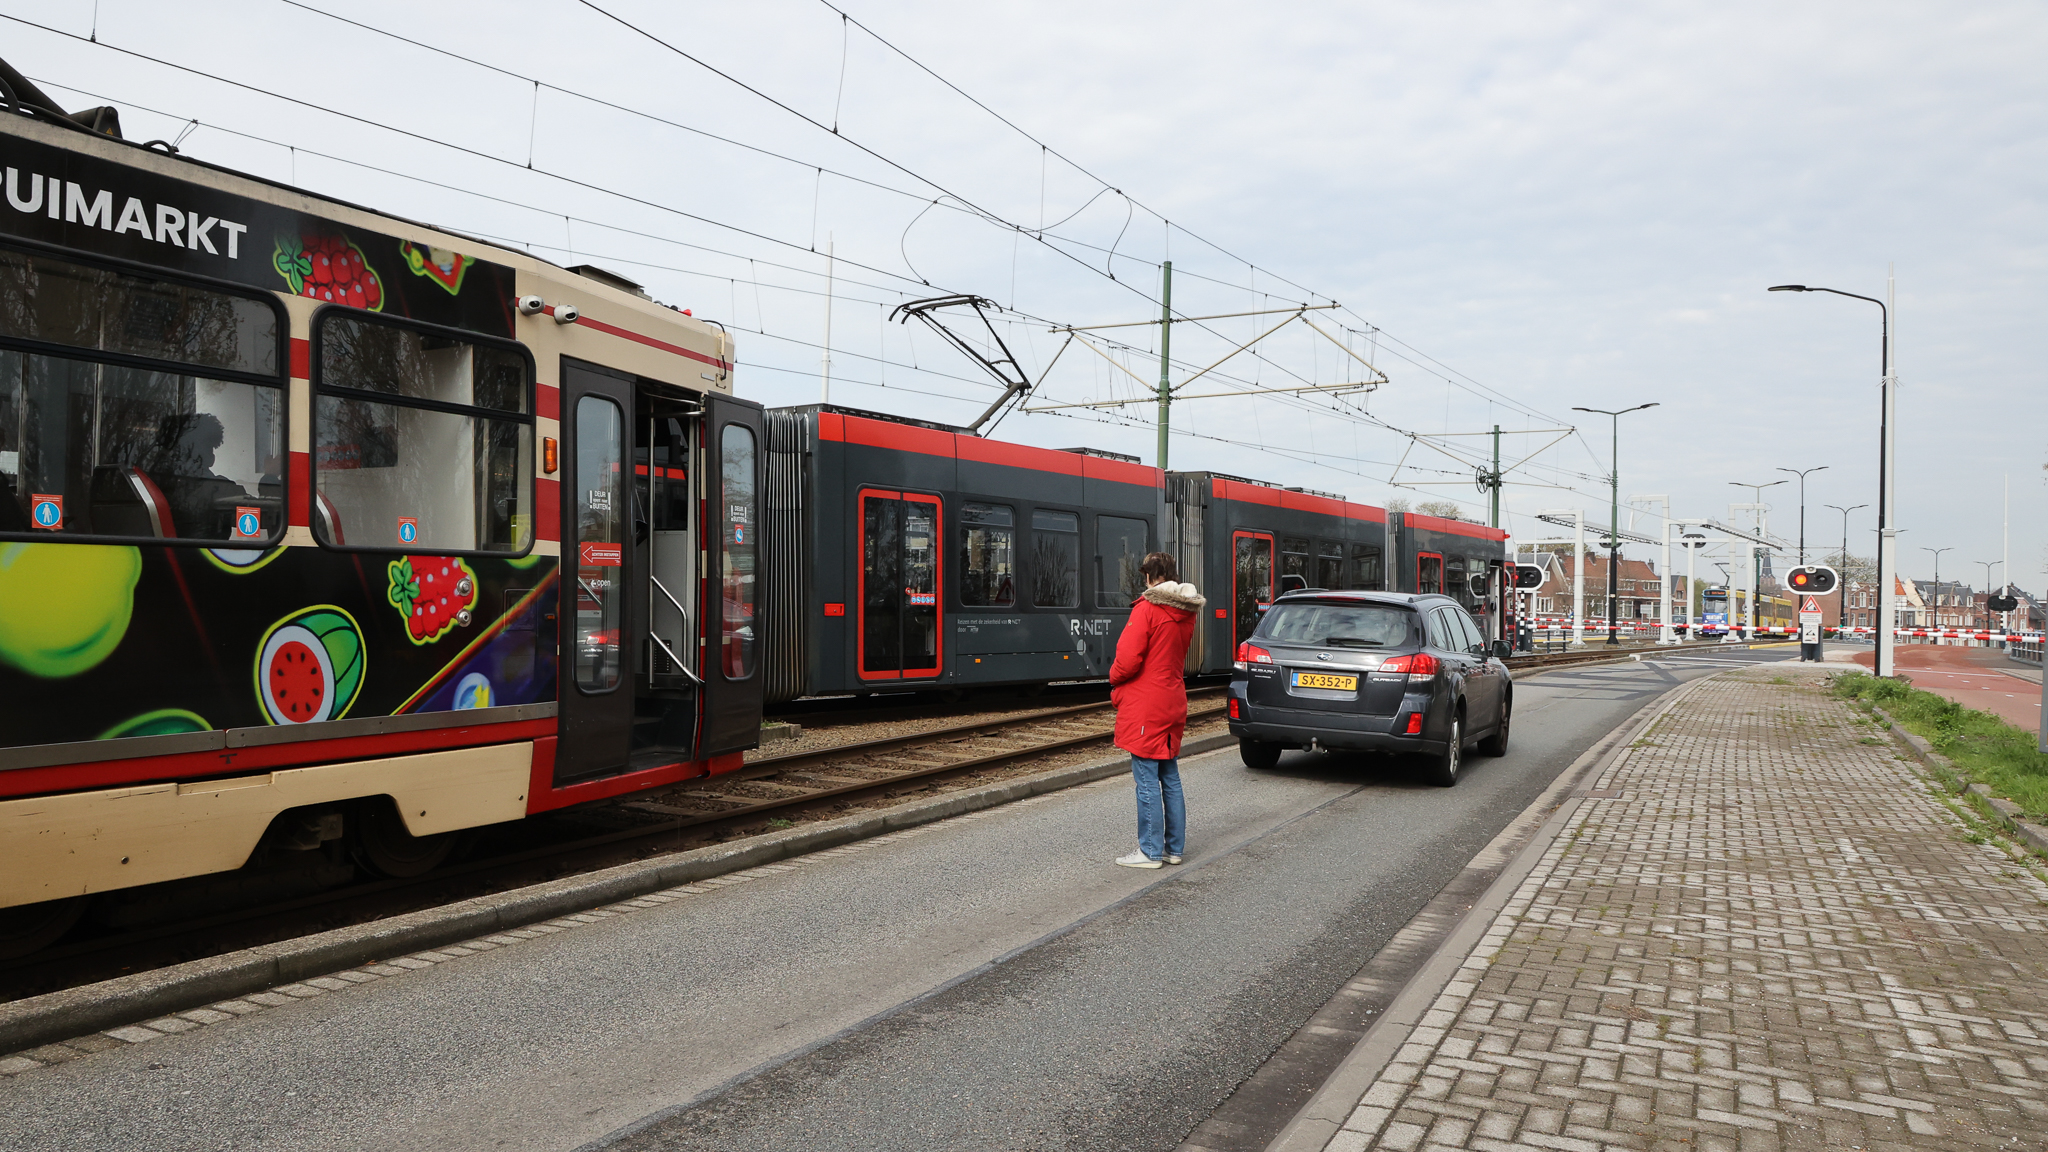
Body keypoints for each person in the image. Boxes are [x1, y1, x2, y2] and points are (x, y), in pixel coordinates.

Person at [1108, 552, 1204, 869]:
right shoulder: (1186, 613)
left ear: (1149, 577)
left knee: (1147, 778)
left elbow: (1127, 659)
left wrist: (1113, 679)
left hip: (1147, 704)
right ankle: (1173, 848)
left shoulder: (1148, 609)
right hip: (1173, 698)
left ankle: (1149, 851)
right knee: (1170, 776)